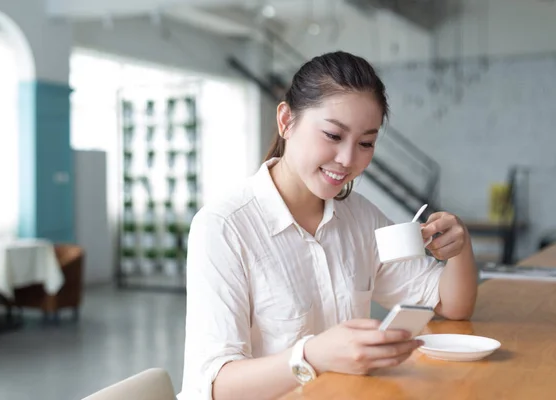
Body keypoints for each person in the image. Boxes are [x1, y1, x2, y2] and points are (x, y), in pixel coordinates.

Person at [178, 51, 478, 400]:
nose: (349, 160)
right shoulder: (223, 227)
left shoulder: (361, 218)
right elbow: (214, 386)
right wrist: (312, 355)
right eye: (334, 136)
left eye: (366, 143)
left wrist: (459, 247)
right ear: (286, 120)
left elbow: (451, 305)